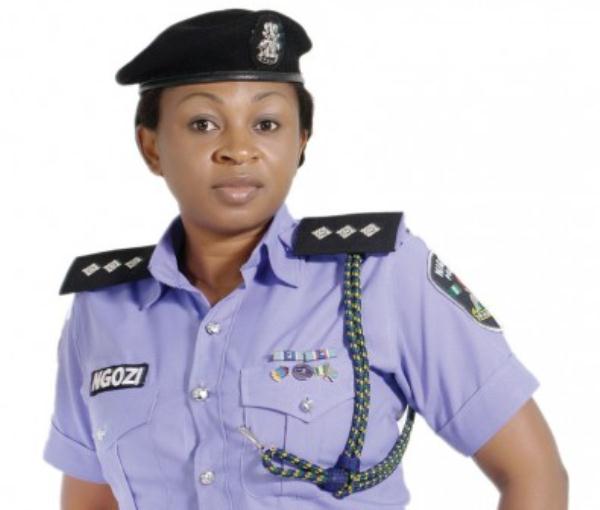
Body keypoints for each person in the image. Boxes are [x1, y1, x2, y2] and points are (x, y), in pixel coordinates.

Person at [42, 7, 568, 510]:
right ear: (151, 147)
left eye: (267, 124)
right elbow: (90, 500)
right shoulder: (103, 309)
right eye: (203, 123)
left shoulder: (379, 275)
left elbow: (533, 473)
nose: (238, 149)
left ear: (301, 142)